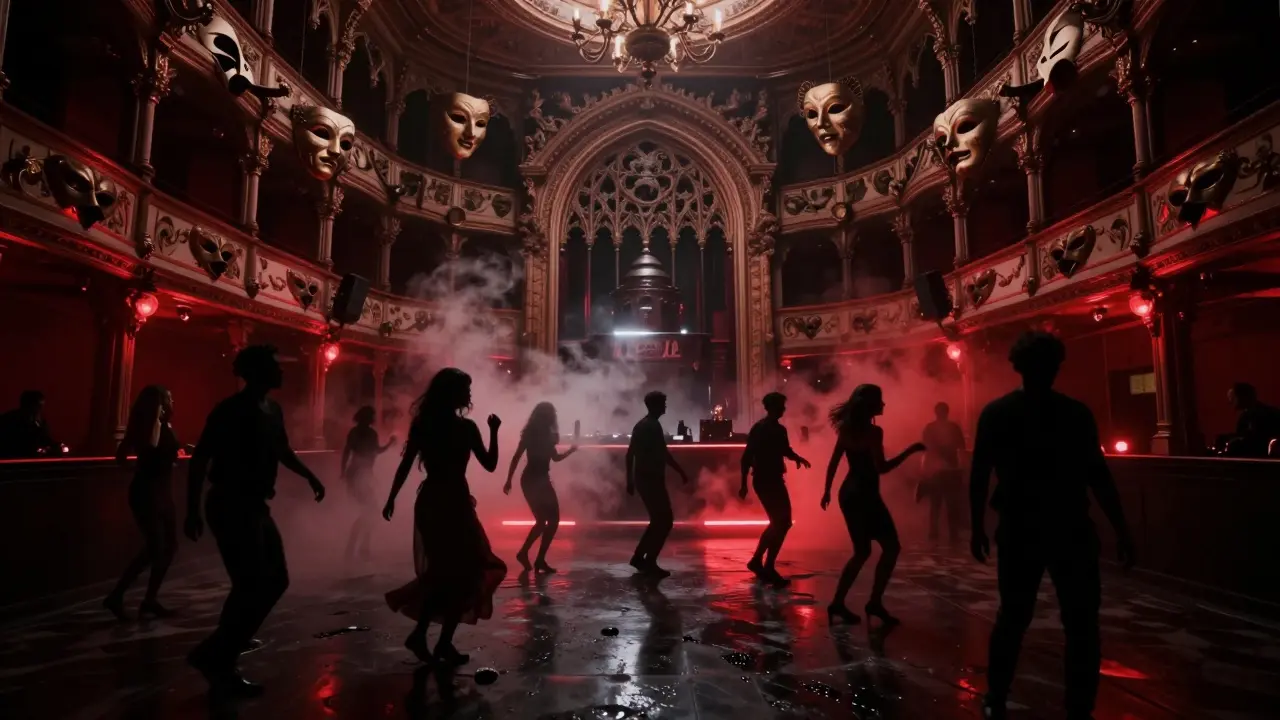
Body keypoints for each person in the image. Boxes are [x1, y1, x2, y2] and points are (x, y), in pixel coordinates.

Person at [969, 331, 1136, 720]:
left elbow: (979, 475)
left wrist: (977, 525)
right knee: (1081, 621)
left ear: (1017, 366)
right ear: (1056, 367)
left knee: (1013, 615)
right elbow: (1099, 477)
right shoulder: (1075, 414)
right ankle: (1079, 707)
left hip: (1020, 525)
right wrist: (1122, 529)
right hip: (1070, 525)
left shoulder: (997, 413)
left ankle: (996, 696)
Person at [184, 345, 326, 696]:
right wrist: (191, 509)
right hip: (230, 503)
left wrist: (309, 476)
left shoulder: (272, 410)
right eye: (275, 366)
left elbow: (282, 451)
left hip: (255, 505)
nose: (282, 371)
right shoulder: (230, 410)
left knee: (276, 579)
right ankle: (223, 659)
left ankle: (219, 648)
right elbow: (201, 458)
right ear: (259, 371)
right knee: (250, 583)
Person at [383, 368, 506, 668]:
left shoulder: (424, 424)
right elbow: (490, 464)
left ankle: (436, 640)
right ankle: (434, 639)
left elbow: (405, 465)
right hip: (452, 503)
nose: (469, 395)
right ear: (452, 394)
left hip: (433, 501)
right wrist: (494, 431)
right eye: (465, 389)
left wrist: (392, 497)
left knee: (451, 573)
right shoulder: (466, 429)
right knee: (460, 572)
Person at [822, 384, 925, 626]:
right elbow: (882, 468)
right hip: (866, 495)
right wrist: (910, 451)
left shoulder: (847, 429)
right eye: (880, 400)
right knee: (891, 547)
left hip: (848, 494)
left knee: (862, 551)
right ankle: (874, 602)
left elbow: (834, 462)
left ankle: (839, 602)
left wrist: (827, 491)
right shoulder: (873, 433)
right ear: (870, 405)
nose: (884, 404)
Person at [104, 385, 183, 620]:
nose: (172, 401)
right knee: (155, 547)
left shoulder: (165, 423)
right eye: (168, 398)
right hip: (146, 492)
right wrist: (143, 469)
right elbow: (147, 446)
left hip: (162, 491)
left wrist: (170, 460)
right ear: (157, 403)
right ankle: (117, 596)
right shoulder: (148, 426)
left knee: (169, 546)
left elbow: (163, 452)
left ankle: (149, 599)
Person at [739, 392, 810, 587]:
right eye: (781, 406)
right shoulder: (763, 429)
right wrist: (743, 483)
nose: (783, 409)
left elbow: (784, 450)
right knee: (782, 522)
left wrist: (797, 458)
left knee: (780, 522)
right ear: (773, 407)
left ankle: (760, 561)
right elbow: (747, 456)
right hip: (765, 480)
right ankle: (766, 564)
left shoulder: (775, 429)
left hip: (771, 479)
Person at [505, 401, 577, 573]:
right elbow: (517, 457)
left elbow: (554, 458)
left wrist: (570, 451)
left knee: (545, 521)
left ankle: (531, 556)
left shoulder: (537, 434)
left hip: (536, 479)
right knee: (548, 521)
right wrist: (508, 480)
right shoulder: (539, 435)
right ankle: (535, 558)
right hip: (534, 480)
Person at [626, 391, 690, 579]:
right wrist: (680, 471)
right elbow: (661, 454)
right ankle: (649, 560)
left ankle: (640, 557)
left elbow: (631, 455)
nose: (665, 406)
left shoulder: (643, 425)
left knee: (658, 520)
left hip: (645, 479)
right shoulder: (651, 426)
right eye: (663, 403)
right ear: (655, 405)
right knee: (665, 520)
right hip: (651, 479)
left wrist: (630, 480)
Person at [340, 406, 396, 561]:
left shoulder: (357, 432)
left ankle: (361, 548)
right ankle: (356, 548)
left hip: (358, 474)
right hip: (359, 474)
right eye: (371, 415)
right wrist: (390, 443)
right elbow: (374, 451)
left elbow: (348, 451)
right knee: (370, 512)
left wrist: (343, 471)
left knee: (370, 512)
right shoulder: (369, 433)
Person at [920, 401, 966, 544]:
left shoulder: (930, 428)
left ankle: (935, 533)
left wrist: (925, 469)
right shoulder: (953, 428)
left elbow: (925, 449)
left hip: (939, 471)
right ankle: (952, 534)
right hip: (948, 470)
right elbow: (961, 447)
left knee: (937, 504)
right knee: (950, 504)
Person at [1225, 382, 1280, 457]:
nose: (1230, 401)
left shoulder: (1262, 414)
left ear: (1243, 396)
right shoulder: (1247, 414)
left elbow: (1255, 439)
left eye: (1233, 397)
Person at [0, 390, 57, 458]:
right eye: (38, 406)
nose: (40, 409)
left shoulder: (39, 422)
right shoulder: (10, 420)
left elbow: (45, 439)